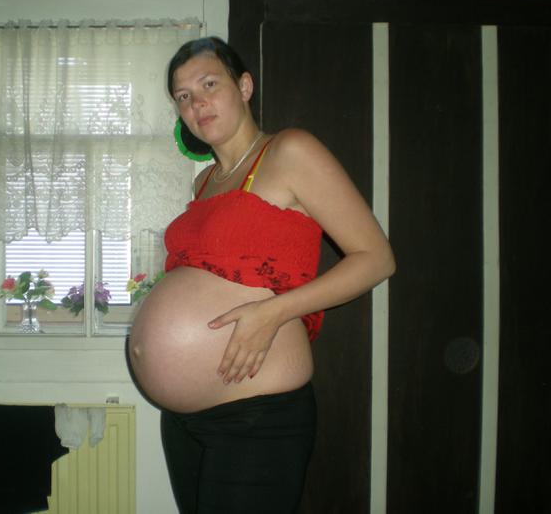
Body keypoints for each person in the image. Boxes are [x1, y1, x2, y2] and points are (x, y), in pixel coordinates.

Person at [129, 36, 395, 513]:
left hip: (255, 415)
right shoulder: (204, 183)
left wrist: (272, 313)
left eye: (209, 84)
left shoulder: (290, 151)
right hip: (185, 420)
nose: (196, 103)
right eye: (183, 96)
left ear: (245, 86)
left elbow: (376, 258)